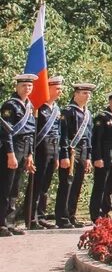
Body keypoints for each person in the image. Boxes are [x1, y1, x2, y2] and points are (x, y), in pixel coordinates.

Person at [0, 74, 38, 235]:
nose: (27, 88)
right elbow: (6, 132)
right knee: (5, 188)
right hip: (12, 148)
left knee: (16, 188)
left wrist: (30, 154)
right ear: (16, 87)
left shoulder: (29, 105)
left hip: (25, 148)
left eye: (29, 86)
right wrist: (10, 154)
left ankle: (10, 222)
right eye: (24, 86)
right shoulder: (10, 105)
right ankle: (1, 223)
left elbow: (30, 133)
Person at [55, 83, 95, 227]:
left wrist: (89, 157)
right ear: (76, 94)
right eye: (84, 93)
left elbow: (89, 137)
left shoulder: (87, 113)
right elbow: (64, 135)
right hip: (71, 151)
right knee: (67, 184)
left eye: (89, 94)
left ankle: (71, 215)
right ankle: (62, 217)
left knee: (77, 184)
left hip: (83, 151)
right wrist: (64, 154)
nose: (87, 96)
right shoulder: (68, 111)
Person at [28, 75, 64, 228]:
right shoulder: (38, 108)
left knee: (45, 185)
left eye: (60, 89)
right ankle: (31, 217)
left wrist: (57, 156)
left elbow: (58, 133)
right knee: (36, 184)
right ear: (47, 89)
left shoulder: (56, 109)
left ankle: (41, 215)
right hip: (40, 150)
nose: (60, 92)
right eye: (57, 88)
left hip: (52, 150)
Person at [89, 89, 112, 221]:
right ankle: (96, 213)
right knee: (100, 185)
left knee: (110, 186)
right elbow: (97, 140)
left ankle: (105, 211)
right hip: (104, 155)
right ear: (111, 101)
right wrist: (97, 157)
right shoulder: (102, 117)